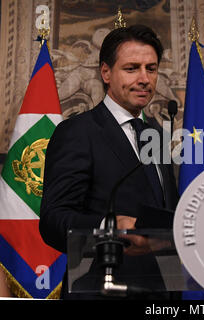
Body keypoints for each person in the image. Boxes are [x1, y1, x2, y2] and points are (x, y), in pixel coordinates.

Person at [39, 25, 179, 299]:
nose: (144, 78)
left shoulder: (157, 136)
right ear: (106, 73)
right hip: (102, 289)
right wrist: (109, 228)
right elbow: (54, 220)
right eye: (131, 68)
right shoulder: (78, 132)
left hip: (163, 292)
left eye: (151, 68)